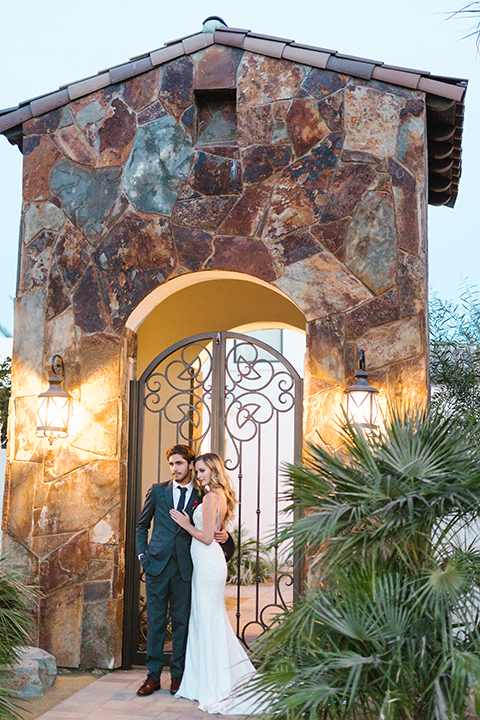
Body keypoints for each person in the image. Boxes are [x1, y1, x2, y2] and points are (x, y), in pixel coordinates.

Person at [170, 453, 264, 715]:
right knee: (206, 619)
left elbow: (208, 538)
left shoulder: (212, 497)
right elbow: (217, 532)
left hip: (208, 562)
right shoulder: (217, 495)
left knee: (208, 619)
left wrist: (187, 524)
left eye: (202, 471)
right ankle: (204, 681)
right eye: (196, 471)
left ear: (213, 470)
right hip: (207, 563)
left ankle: (214, 684)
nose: (198, 476)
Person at [135, 445, 231, 697]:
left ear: (189, 465)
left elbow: (214, 522)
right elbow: (141, 526)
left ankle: (178, 676)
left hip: (186, 568)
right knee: (155, 623)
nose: (174, 469)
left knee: (181, 624)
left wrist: (226, 534)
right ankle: (152, 677)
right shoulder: (157, 491)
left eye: (179, 464)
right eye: (171, 464)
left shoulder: (202, 493)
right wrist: (143, 556)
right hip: (156, 566)